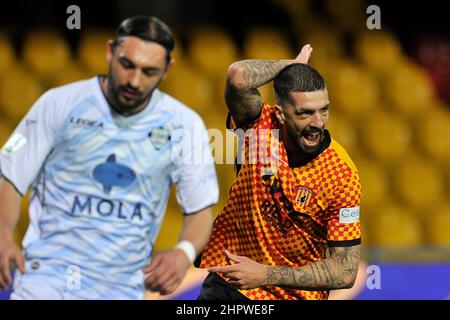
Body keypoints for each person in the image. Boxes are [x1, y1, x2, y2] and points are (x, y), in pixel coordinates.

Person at [0, 15, 219, 299]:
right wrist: (3, 232)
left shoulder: (185, 125)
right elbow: (10, 175)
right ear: (110, 51)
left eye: (149, 71)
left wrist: (183, 252)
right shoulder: (56, 103)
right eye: (127, 65)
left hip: (121, 291)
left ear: (167, 70)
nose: (134, 81)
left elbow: (200, 211)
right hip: (45, 284)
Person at [198, 44, 362, 300]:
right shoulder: (259, 125)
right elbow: (238, 76)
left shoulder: (341, 174)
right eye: (304, 113)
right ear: (280, 115)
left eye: (323, 110)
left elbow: (345, 271)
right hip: (230, 281)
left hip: (291, 296)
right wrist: (292, 65)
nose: (317, 123)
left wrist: (265, 274)